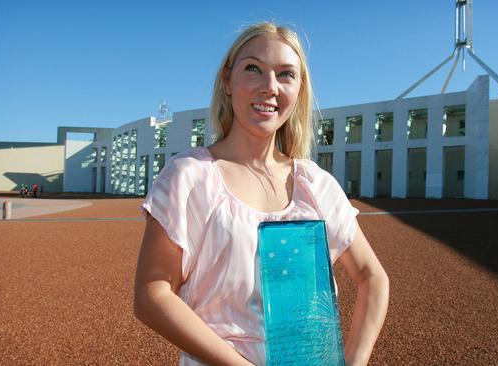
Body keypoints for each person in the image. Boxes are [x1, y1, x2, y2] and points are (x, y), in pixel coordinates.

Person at [134, 22, 389, 366]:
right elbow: (151, 295)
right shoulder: (190, 176)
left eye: (286, 75)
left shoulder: (315, 184)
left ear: (299, 90)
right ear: (228, 81)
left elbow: (373, 277)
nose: (270, 87)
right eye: (253, 68)